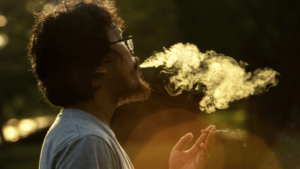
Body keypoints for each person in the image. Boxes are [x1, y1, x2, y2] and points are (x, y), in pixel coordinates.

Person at [28, 0, 216, 168]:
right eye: (122, 42)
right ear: (99, 64)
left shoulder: (88, 133)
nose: (134, 55)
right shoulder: (87, 141)